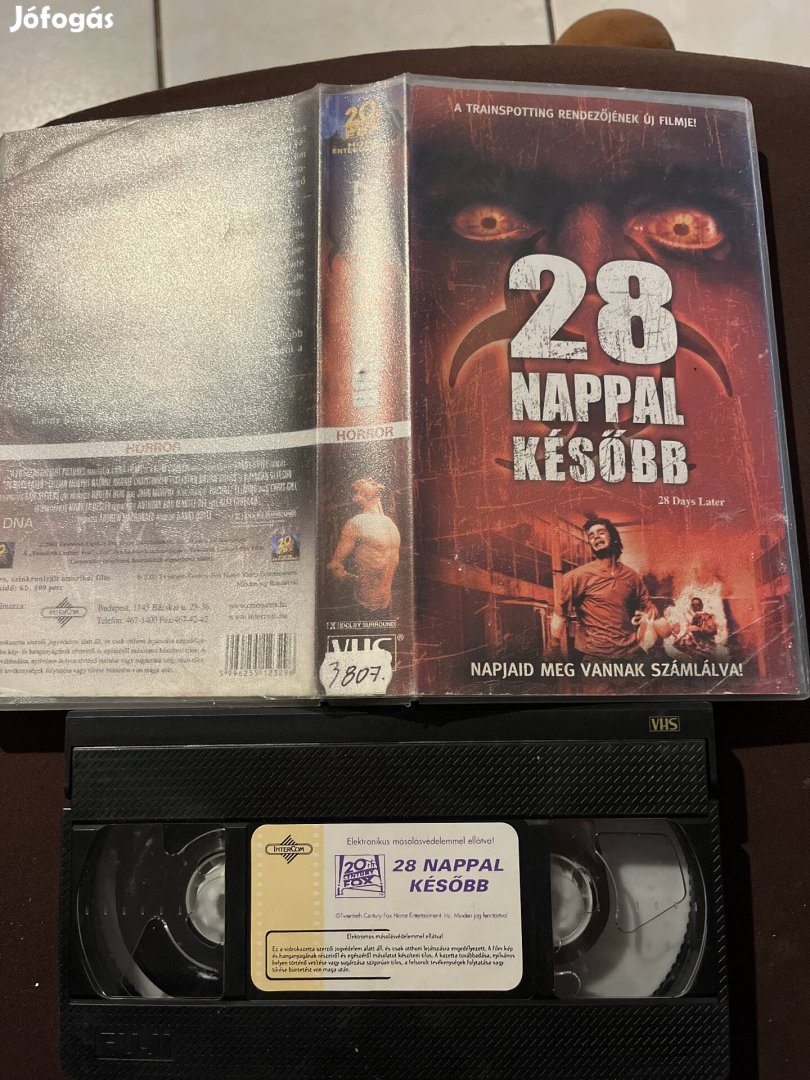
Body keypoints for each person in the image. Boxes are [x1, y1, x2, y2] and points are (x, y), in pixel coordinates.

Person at [550, 517, 658, 661]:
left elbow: (648, 606)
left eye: (601, 532)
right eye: (591, 536)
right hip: (596, 659)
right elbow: (560, 614)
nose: (595, 537)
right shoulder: (576, 576)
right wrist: (554, 647)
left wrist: (648, 617)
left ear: (613, 537)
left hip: (630, 657)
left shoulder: (632, 576)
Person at [327, 477, 401, 612]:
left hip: (386, 603)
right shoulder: (356, 523)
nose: (371, 482)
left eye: (372, 482)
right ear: (357, 497)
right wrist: (340, 573)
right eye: (363, 484)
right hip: (363, 603)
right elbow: (335, 565)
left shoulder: (390, 523)